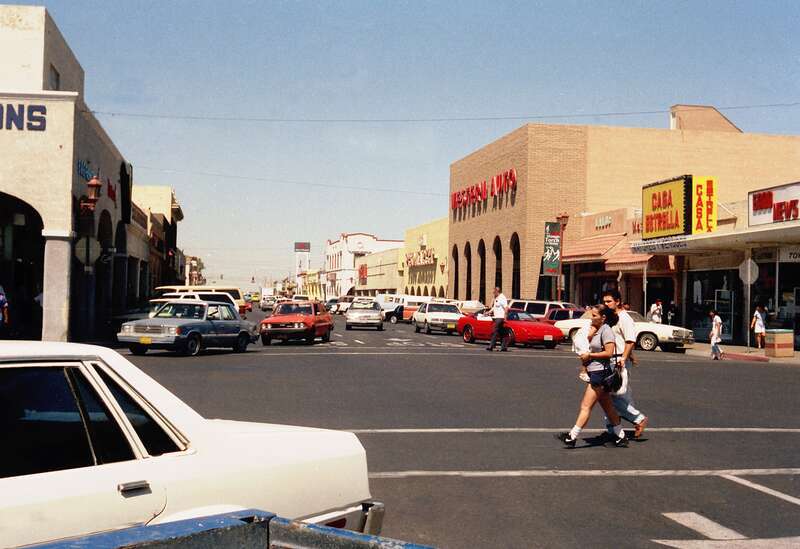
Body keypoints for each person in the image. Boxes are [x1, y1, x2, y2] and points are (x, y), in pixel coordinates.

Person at [556, 306, 628, 448]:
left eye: (594, 315)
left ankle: (572, 437)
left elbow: (608, 352)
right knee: (608, 407)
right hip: (596, 371)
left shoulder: (606, 331)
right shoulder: (598, 329)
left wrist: (590, 355)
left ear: (603, 317)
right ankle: (621, 436)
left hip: (600, 373)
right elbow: (589, 343)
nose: (591, 317)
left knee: (585, 406)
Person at [602, 290, 648, 438]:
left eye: (609, 301)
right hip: (611, 359)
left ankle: (637, 419)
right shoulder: (611, 317)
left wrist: (624, 358)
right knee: (621, 395)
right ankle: (614, 428)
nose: (606, 304)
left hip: (618, 361)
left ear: (618, 301)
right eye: (604, 302)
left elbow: (630, 340)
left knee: (611, 395)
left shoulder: (624, 318)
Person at [486, 286, 508, 352]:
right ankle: (504, 347)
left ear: (497, 291)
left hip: (500, 318)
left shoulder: (502, 297)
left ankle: (491, 346)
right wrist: (488, 312)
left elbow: (506, 308)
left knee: (494, 331)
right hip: (496, 317)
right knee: (502, 333)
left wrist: (505, 318)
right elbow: (494, 307)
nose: (493, 293)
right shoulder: (497, 298)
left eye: (494, 292)